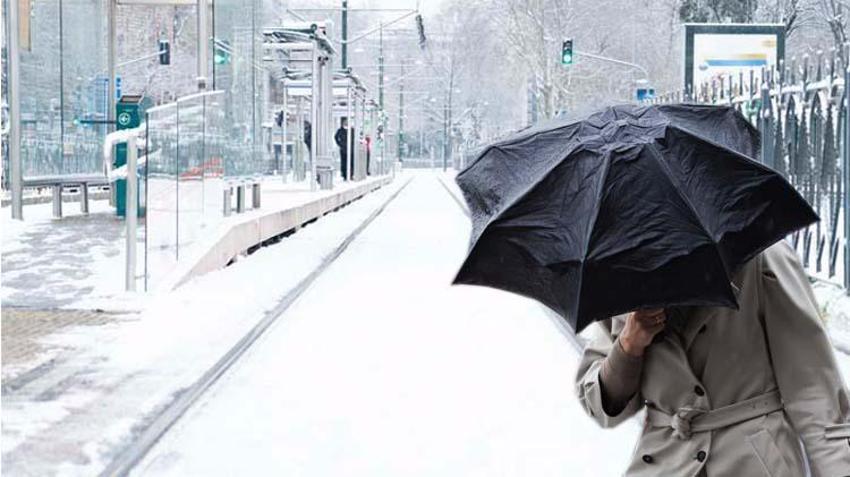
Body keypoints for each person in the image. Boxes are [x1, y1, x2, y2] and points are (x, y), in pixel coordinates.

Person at [576, 240, 850, 476]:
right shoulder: (618, 272)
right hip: (665, 463)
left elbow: (814, 392)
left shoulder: (759, 253)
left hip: (754, 461)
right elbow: (601, 406)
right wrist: (628, 345)